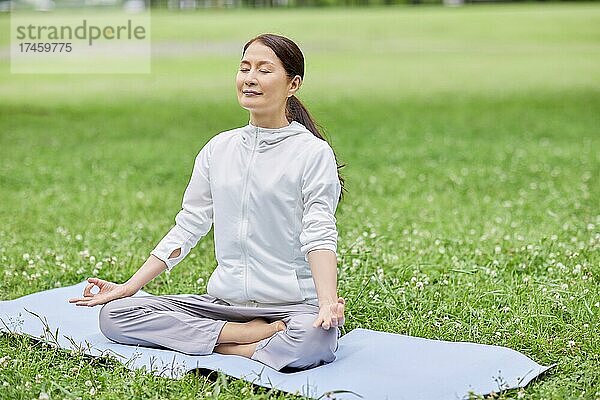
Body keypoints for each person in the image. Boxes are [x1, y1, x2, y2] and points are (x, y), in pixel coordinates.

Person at [68, 33, 347, 372]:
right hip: (222, 304)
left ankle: (224, 345)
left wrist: (327, 303)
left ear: (293, 84)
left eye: (264, 69)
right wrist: (129, 287)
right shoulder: (219, 148)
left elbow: (319, 233)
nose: (250, 78)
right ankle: (245, 337)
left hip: (289, 308)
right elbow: (189, 225)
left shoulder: (312, 153)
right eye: (244, 68)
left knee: (313, 338)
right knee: (115, 315)